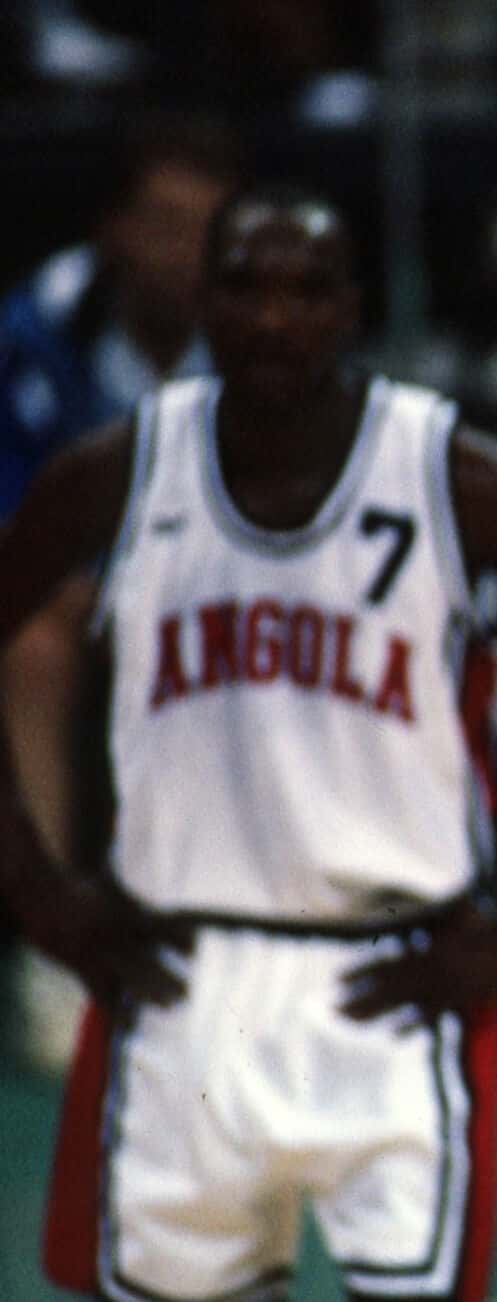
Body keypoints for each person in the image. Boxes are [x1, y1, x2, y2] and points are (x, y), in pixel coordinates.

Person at [0, 187, 497, 1301]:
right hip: (177, 979)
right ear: (202, 301)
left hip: (396, 981)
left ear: (353, 307)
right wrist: (37, 891)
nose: (275, 318)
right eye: (247, 287)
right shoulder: (117, 473)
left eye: (307, 290)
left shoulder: (458, 479)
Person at [0, 113, 239, 1073]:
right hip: (70, 599)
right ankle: (51, 955)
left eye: (207, 227)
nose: (186, 250)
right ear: (114, 229)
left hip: (212, 602)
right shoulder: (36, 333)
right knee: (33, 643)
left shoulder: (265, 334)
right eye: (165, 221)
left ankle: (239, 939)